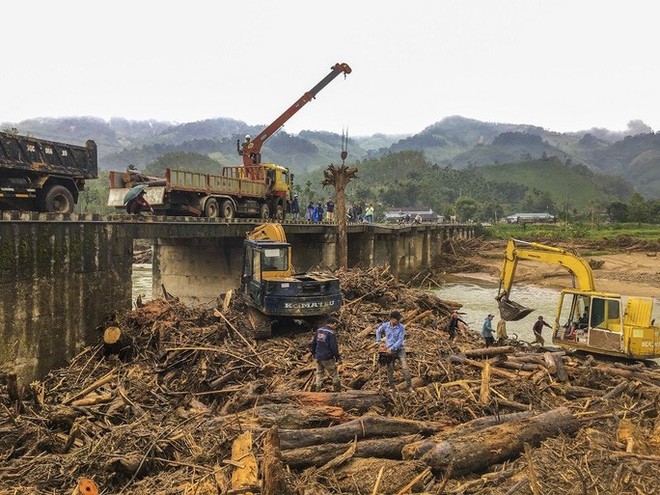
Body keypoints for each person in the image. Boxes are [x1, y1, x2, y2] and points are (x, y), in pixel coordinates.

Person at [375, 310, 412, 391]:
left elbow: (400, 340)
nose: (399, 321)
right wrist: (379, 342)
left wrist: (391, 349)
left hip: (399, 350)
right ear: (391, 319)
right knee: (390, 368)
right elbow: (378, 331)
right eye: (397, 319)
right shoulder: (385, 326)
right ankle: (392, 387)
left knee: (405, 367)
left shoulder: (401, 327)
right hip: (389, 351)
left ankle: (409, 386)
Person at [310, 316, 342, 392]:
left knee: (319, 374)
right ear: (330, 324)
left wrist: (314, 353)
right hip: (327, 357)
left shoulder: (319, 331)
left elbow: (314, 343)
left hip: (318, 356)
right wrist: (337, 357)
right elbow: (333, 347)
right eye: (334, 325)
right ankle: (338, 392)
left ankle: (318, 391)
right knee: (334, 374)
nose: (335, 327)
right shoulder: (331, 333)